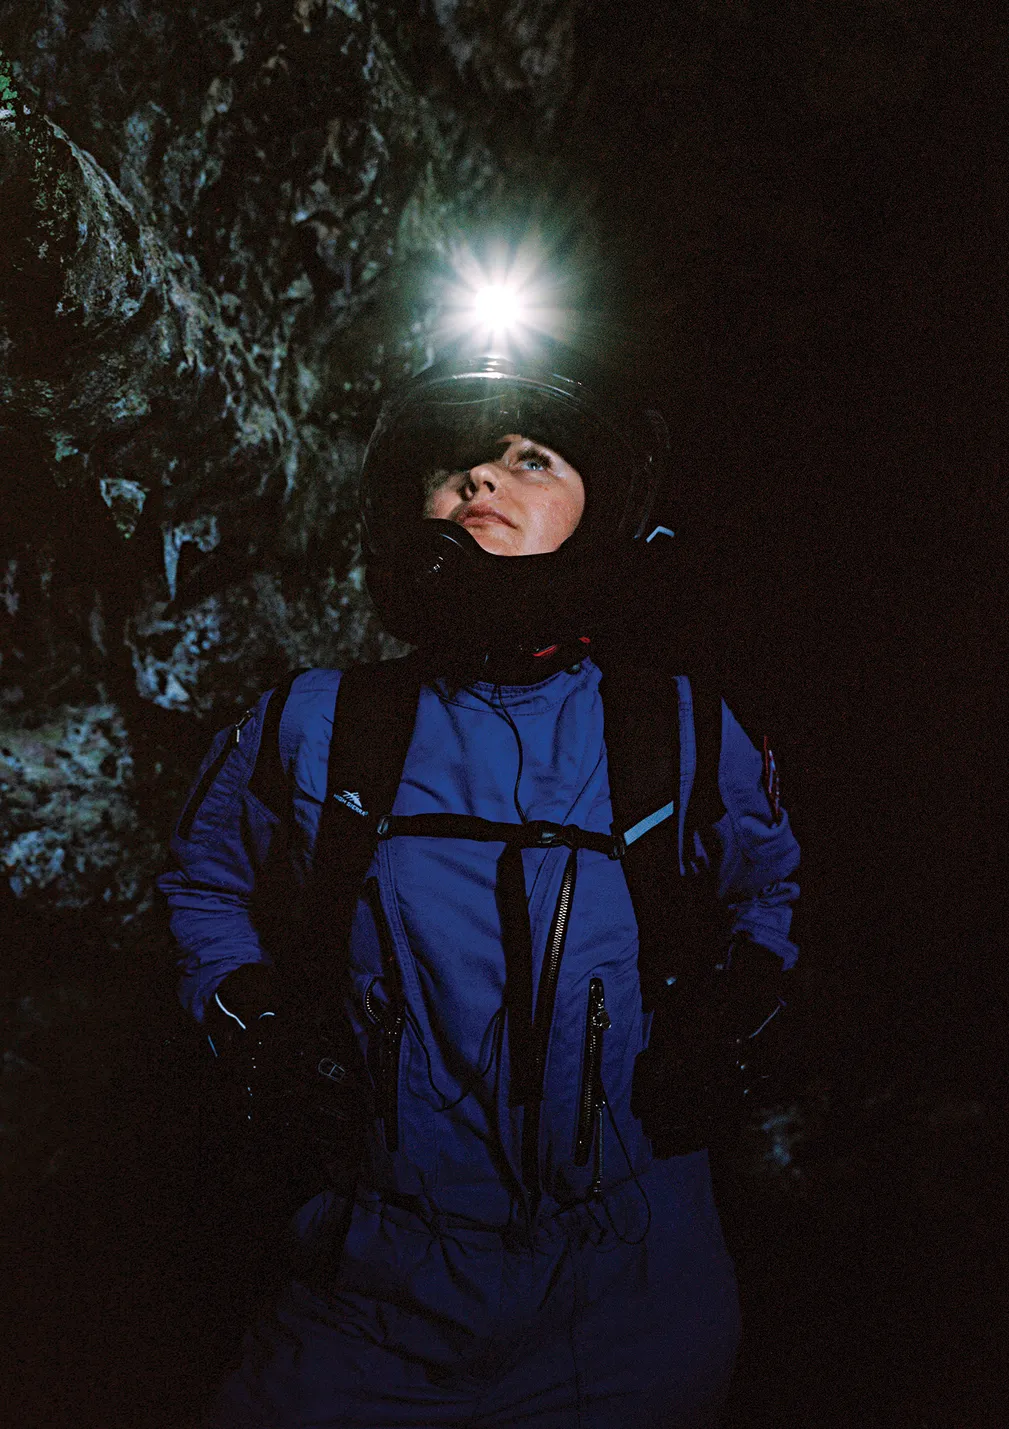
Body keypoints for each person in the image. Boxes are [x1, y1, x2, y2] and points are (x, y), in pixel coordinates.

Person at [159, 346, 801, 1428]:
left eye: (529, 456)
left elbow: (768, 893)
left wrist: (738, 1013)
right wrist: (247, 1010)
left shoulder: (677, 733)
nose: (481, 482)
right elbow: (204, 879)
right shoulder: (315, 725)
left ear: (600, 508)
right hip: (367, 1292)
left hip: (631, 1293)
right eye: (454, 465)